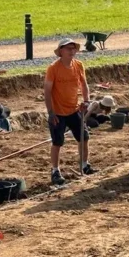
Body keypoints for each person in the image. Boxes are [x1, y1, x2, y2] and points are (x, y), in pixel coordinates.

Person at [44, 38, 94, 185]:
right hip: (58, 112)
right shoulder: (53, 68)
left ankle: (85, 165)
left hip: (74, 109)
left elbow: (84, 85)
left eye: (73, 48)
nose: (72, 51)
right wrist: (51, 112)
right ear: (61, 51)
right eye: (68, 49)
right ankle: (55, 171)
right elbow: (47, 91)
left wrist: (86, 100)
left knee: (84, 137)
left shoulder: (78, 65)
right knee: (57, 142)